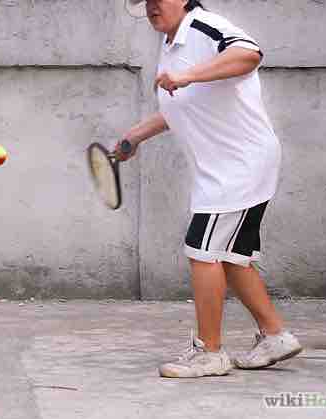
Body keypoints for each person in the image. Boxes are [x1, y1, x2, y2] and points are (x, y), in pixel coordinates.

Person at [118, 0, 303, 378]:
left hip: (241, 164)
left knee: (202, 250)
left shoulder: (204, 27)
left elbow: (249, 54)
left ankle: (210, 352)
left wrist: (189, 76)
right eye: (145, 1)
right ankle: (275, 336)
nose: (152, 6)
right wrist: (134, 136)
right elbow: (181, 107)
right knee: (232, 258)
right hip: (221, 169)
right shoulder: (170, 46)